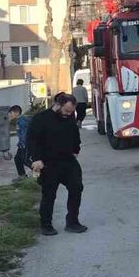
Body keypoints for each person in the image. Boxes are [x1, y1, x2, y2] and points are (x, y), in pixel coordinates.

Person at [28, 93, 87, 236]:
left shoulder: (69, 117)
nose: (68, 114)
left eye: (71, 111)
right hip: (48, 163)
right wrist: (36, 159)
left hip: (68, 160)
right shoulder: (41, 119)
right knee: (49, 194)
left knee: (76, 187)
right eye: (66, 110)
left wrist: (76, 149)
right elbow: (32, 140)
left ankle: (72, 222)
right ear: (58, 105)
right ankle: (46, 225)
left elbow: (75, 134)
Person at [9, 105, 31, 178]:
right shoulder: (19, 120)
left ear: (17, 113)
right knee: (17, 159)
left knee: (26, 161)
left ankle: (40, 174)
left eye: (11, 113)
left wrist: (23, 143)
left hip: (26, 144)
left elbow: (25, 134)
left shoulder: (22, 121)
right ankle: (22, 176)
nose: (10, 115)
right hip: (21, 144)